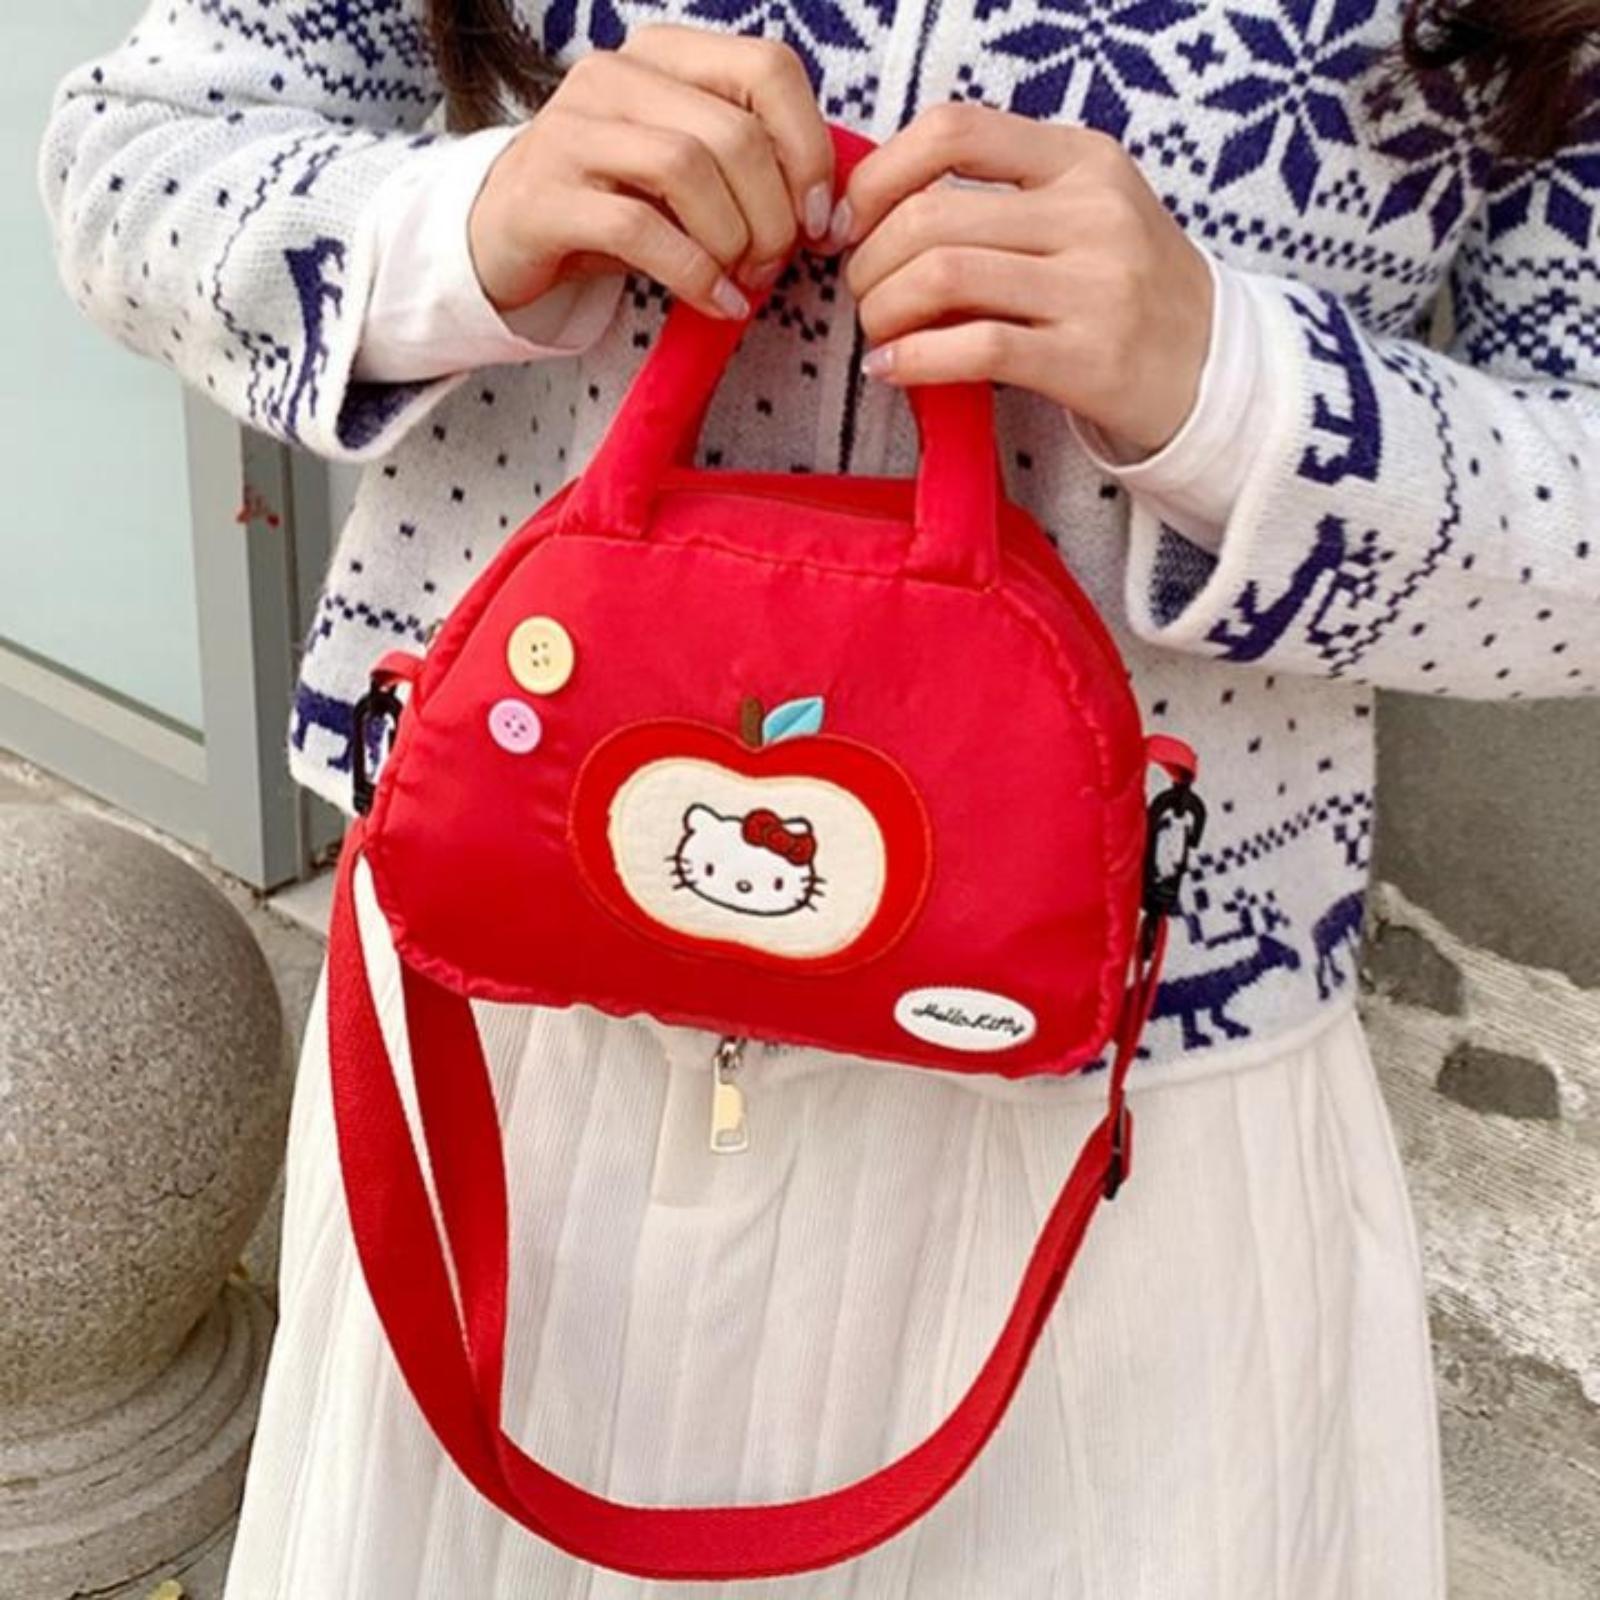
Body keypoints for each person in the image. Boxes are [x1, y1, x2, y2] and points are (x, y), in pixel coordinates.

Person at [41, 1, 1599, 1594]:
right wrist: (468, 224)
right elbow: (130, 163)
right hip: (507, 1030)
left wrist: (1238, 389)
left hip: (1122, 1116)